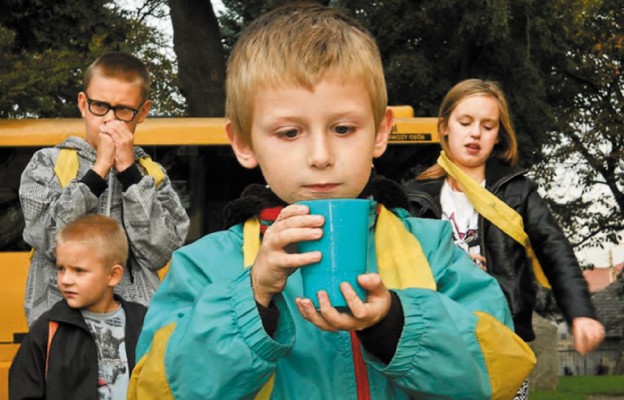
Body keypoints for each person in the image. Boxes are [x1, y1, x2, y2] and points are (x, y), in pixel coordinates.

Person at [128, 5, 535, 399]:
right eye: (290, 133)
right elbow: (154, 391)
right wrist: (250, 302)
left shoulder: (432, 250)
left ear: (380, 132)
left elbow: (502, 372)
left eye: (343, 128)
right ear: (244, 142)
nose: (320, 156)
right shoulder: (205, 266)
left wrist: (395, 323)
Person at [405, 79, 605, 394]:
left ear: (498, 134)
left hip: (503, 336)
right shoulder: (416, 195)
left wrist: (580, 312)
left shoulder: (517, 191)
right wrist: (454, 264)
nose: (475, 133)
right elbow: (404, 260)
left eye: (488, 126)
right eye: (465, 122)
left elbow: (554, 248)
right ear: (444, 127)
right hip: (440, 338)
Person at [19, 51, 189, 325]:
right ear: (83, 103)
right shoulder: (46, 163)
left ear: (142, 112)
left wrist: (130, 175)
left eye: (123, 110)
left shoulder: (152, 175)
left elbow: (160, 252)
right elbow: (49, 239)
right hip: (61, 325)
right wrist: (96, 173)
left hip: (132, 327)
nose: (110, 119)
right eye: (100, 106)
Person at [9, 214, 147, 399]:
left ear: (113, 275)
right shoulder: (48, 329)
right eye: (61, 269)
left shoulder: (144, 323)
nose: (65, 280)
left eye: (79, 271)